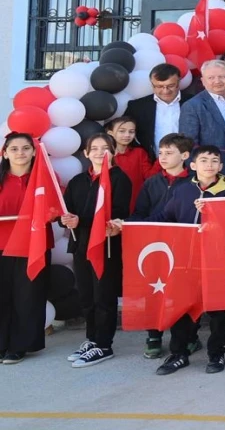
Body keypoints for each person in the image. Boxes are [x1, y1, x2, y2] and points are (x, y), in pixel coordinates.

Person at [151, 144, 225, 375]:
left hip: (216, 261)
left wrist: (212, 212)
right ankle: (179, 354)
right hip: (185, 259)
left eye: (214, 161)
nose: (209, 165)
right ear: (192, 165)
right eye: (203, 161)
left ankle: (216, 354)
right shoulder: (182, 190)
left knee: (217, 310)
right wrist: (130, 224)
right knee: (181, 307)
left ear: (221, 166)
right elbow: (165, 217)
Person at [61, 133, 132, 368]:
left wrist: (79, 220)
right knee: (87, 296)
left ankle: (104, 345)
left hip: (106, 245)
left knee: (104, 296)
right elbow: (68, 212)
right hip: (80, 245)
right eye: (95, 148)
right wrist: (66, 220)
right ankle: (91, 339)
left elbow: (119, 213)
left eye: (105, 148)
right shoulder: (78, 181)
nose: (100, 152)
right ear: (86, 153)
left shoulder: (120, 179)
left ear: (113, 152)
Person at [129, 133, 197, 360]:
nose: (163, 157)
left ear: (185, 156)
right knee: (153, 289)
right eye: (160, 153)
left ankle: (190, 337)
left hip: (185, 246)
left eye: (169, 153)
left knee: (185, 292)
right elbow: (139, 213)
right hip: (155, 244)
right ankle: (154, 335)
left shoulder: (194, 183)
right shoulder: (152, 182)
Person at [0, 133, 47, 364]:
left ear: (34, 151)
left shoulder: (44, 178)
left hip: (32, 245)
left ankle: (19, 346)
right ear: (5, 152)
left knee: (27, 297)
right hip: (1, 245)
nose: (20, 153)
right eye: (15, 148)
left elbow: (55, 207)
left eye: (26, 148)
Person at [179, 59, 225, 178]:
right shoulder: (192, 106)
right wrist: (196, 174)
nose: (217, 81)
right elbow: (189, 144)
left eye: (222, 76)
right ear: (203, 81)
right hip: (213, 171)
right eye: (211, 78)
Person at [125, 63, 185, 159]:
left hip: (189, 164)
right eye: (159, 86)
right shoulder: (137, 106)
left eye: (170, 85)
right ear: (152, 85)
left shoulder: (193, 102)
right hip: (150, 164)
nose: (165, 91)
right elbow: (121, 132)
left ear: (179, 82)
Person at [105, 116, 153, 211]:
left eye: (131, 131)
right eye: (122, 131)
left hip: (136, 204)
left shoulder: (139, 153)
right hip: (111, 205)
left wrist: (161, 158)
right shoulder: (104, 155)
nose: (127, 135)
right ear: (111, 133)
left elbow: (150, 176)